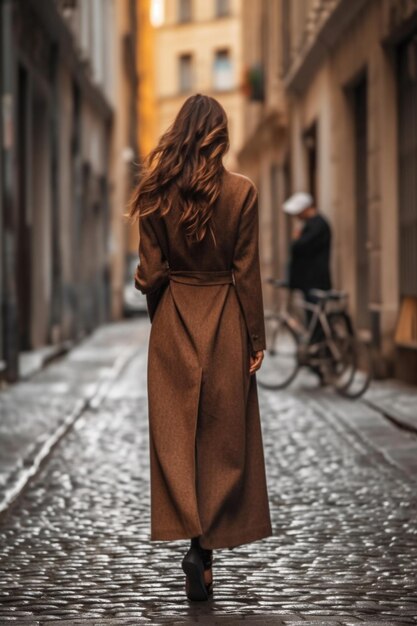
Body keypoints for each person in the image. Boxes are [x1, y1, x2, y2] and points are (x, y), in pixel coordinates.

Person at [130, 94, 272, 602]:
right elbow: (246, 272)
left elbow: (151, 276)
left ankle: (195, 547)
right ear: (219, 134)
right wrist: (256, 338)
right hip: (227, 321)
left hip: (173, 322)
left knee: (177, 440)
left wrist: (161, 323)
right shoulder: (242, 193)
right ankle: (202, 549)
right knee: (222, 439)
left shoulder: (156, 193)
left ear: (179, 132)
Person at [283, 192, 332, 347]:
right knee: (311, 319)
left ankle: (323, 354)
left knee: (315, 322)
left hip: (315, 280)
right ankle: (317, 352)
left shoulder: (318, 225)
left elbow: (299, 247)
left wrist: (297, 239)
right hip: (309, 280)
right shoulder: (313, 224)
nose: (296, 216)